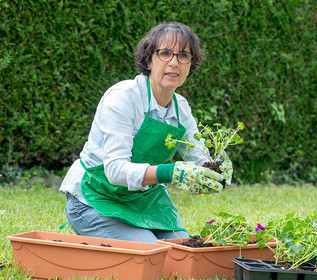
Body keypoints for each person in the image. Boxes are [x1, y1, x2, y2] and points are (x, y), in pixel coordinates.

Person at [59, 22, 233, 243]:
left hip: (144, 199)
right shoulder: (122, 98)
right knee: (154, 253)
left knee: (183, 248)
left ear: (191, 64)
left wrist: (218, 169)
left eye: (183, 55)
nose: (174, 62)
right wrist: (171, 172)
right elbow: (114, 170)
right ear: (149, 60)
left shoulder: (181, 108)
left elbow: (199, 159)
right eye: (165, 53)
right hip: (95, 198)